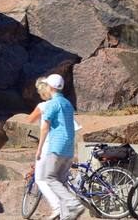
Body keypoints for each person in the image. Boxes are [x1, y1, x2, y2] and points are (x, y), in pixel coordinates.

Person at [35, 73, 84, 220]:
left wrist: (39, 149)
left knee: (48, 178)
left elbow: (45, 128)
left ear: (49, 87)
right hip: (69, 148)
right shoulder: (67, 103)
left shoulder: (51, 104)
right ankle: (66, 216)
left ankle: (73, 203)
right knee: (61, 182)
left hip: (56, 147)